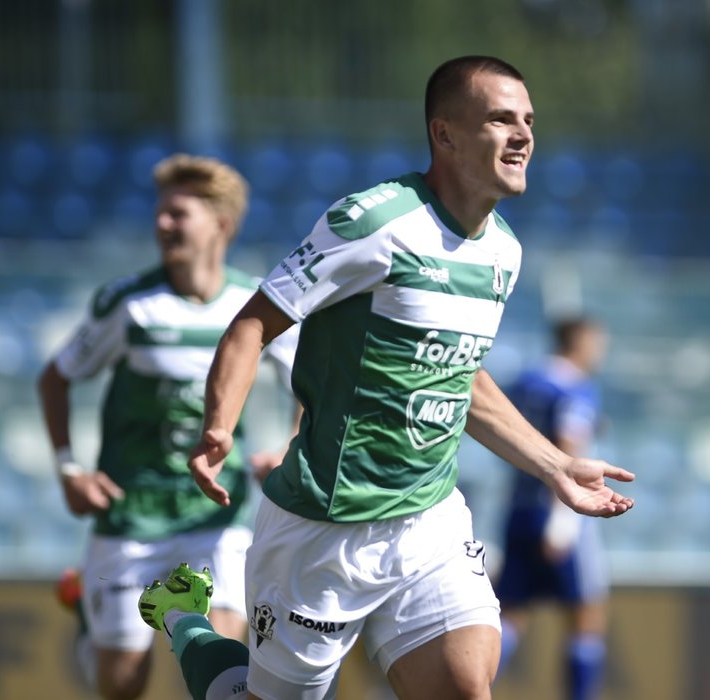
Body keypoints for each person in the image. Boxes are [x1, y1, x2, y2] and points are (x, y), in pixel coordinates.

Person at [180, 54, 634, 700]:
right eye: (501, 119)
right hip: (325, 528)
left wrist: (555, 465)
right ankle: (183, 620)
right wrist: (218, 427)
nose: (524, 134)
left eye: (528, 120)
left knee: (464, 685)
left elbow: (458, 377)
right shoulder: (375, 223)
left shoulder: (504, 251)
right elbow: (253, 324)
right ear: (444, 134)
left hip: (427, 520)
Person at [37, 153, 299, 700]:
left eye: (178, 213)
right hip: (132, 514)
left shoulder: (254, 306)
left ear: (221, 225)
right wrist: (69, 471)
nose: (162, 224)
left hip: (217, 512)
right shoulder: (129, 305)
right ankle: (98, 618)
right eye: (160, 212)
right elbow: (55, 379)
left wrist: (291, 445)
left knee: (227, 673)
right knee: (122, 686)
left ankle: (177, 616)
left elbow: (311, 384)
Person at [493, 316, 611, 700]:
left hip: (519, 509)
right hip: (561, 512)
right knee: (586, 617)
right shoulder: (576, 389)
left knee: (511, 612)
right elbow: (567, 445)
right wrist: (563, 523)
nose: (600, 351)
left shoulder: (526, 383)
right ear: (579, 341)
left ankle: (471, 688)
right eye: (597, 342)